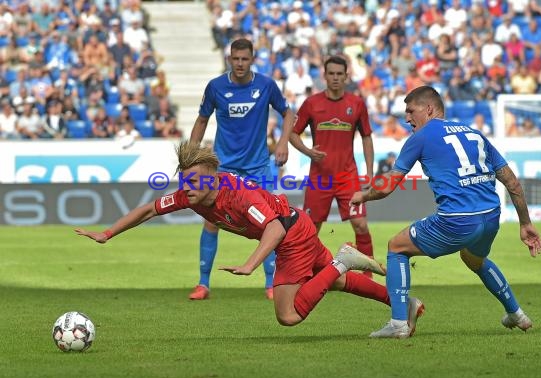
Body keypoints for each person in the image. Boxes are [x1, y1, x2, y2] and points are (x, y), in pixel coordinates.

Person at [74, 142, 425, 332]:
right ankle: (404, 305)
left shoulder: (237, 196)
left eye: (194, 180)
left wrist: (251, 264)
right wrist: (108, 233)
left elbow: (272, 228)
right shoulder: (190, 194)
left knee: (287, 316)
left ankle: (343, 259)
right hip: (296, 224)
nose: (187, 187)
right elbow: (149, 208)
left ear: (213, 177)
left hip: (291, 235)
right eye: (185, 181)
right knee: (333, 284)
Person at [350, 86, 541, 339]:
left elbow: (390, 183)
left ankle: (398, 323)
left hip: (456, 220)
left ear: (428, 109)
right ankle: (516, 314)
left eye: (410, 111)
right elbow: (512, 182)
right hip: (491, 216)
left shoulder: (421, 137)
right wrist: (525, 223)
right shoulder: (473, 133)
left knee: (396, 246)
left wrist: (363, 195)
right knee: (475, 260)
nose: (407, 118)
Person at [188, 38, 295, 301]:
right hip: (224, 168)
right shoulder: (215, 87)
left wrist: (282, 143)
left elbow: (289, 113)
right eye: (235, 58)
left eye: (244, 59)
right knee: (212, 222)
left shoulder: (266, 85)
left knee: (268, 223)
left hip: (258, 166)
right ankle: (203, 284)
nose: (239, 63)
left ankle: (271, 284)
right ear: (229, 59)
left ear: (252, 59)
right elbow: (202, 119)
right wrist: (191, 155)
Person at [289, 55, 376, 278]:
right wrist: (308, 152)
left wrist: (369, 170)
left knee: (361, 225)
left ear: (346, 76)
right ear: (325, 76)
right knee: (310, 229)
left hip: (348, 176)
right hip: (320, 177)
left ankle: (368, 275)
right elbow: (292, 133)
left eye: (340, 74)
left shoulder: (356, 104)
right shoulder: (312, 103)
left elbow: (367, 137)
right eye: (332, 74)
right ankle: (305, 272)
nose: (336, 78)